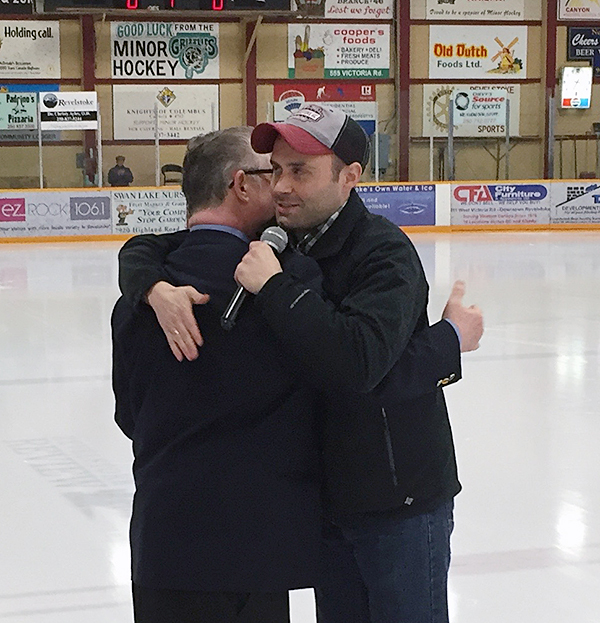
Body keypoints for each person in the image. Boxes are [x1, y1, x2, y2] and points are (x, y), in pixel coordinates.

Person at [117, 106, 484, 623]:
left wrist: (446, 343)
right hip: (323, 504)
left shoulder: (382, 254)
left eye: (300, 172)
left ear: (349, 177)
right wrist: (148, 283)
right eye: (278, 170)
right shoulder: (278, 242)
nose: (283, 187)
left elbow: (357, 366)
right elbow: (162, 242)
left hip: (395, 501)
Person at [111, 127, 324, 623]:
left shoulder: (140, 299)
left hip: (168, 540)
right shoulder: (289, 284)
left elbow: (129, 415)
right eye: (270, 173)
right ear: (240, 185)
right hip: (259, 544)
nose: (281, 186)